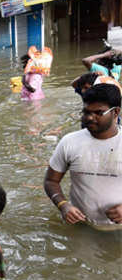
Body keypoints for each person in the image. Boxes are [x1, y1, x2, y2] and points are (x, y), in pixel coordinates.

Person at [44, 84, 122, 230]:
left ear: (115, 112)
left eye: (98, 113)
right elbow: (50, 181)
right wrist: (63, 205)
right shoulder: (70, 142)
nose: (90, 118)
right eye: (86, 112)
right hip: (82, 226)